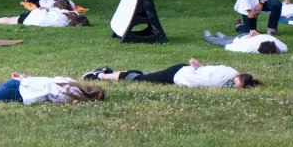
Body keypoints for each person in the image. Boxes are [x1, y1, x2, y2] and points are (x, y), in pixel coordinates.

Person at [83, 58, 260, 88]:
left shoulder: (229, 71)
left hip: (179, 70)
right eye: (232, 84)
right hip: (177, 75)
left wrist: (197, 65)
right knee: (141, 79)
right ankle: (99, 75)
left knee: (146, 75)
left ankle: (110, 71)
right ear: (237, 77)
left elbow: (205, 70)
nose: (229, 87)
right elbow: (201, 81)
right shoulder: (221, 78)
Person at [204, 30, 288, 54]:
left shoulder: (281, 46)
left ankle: (221, 35)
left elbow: (232, 47)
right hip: (245, 37)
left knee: (229, 40)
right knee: (226, 42)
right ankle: (208, 37)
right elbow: (231, 46)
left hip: (250, 36)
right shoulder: (249, 47)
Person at [0, 9, 89, 27]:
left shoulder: (68, 14)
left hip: (36, 15)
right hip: (36, 17)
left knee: (12, 19)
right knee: (11, 20)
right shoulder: (63, 23)